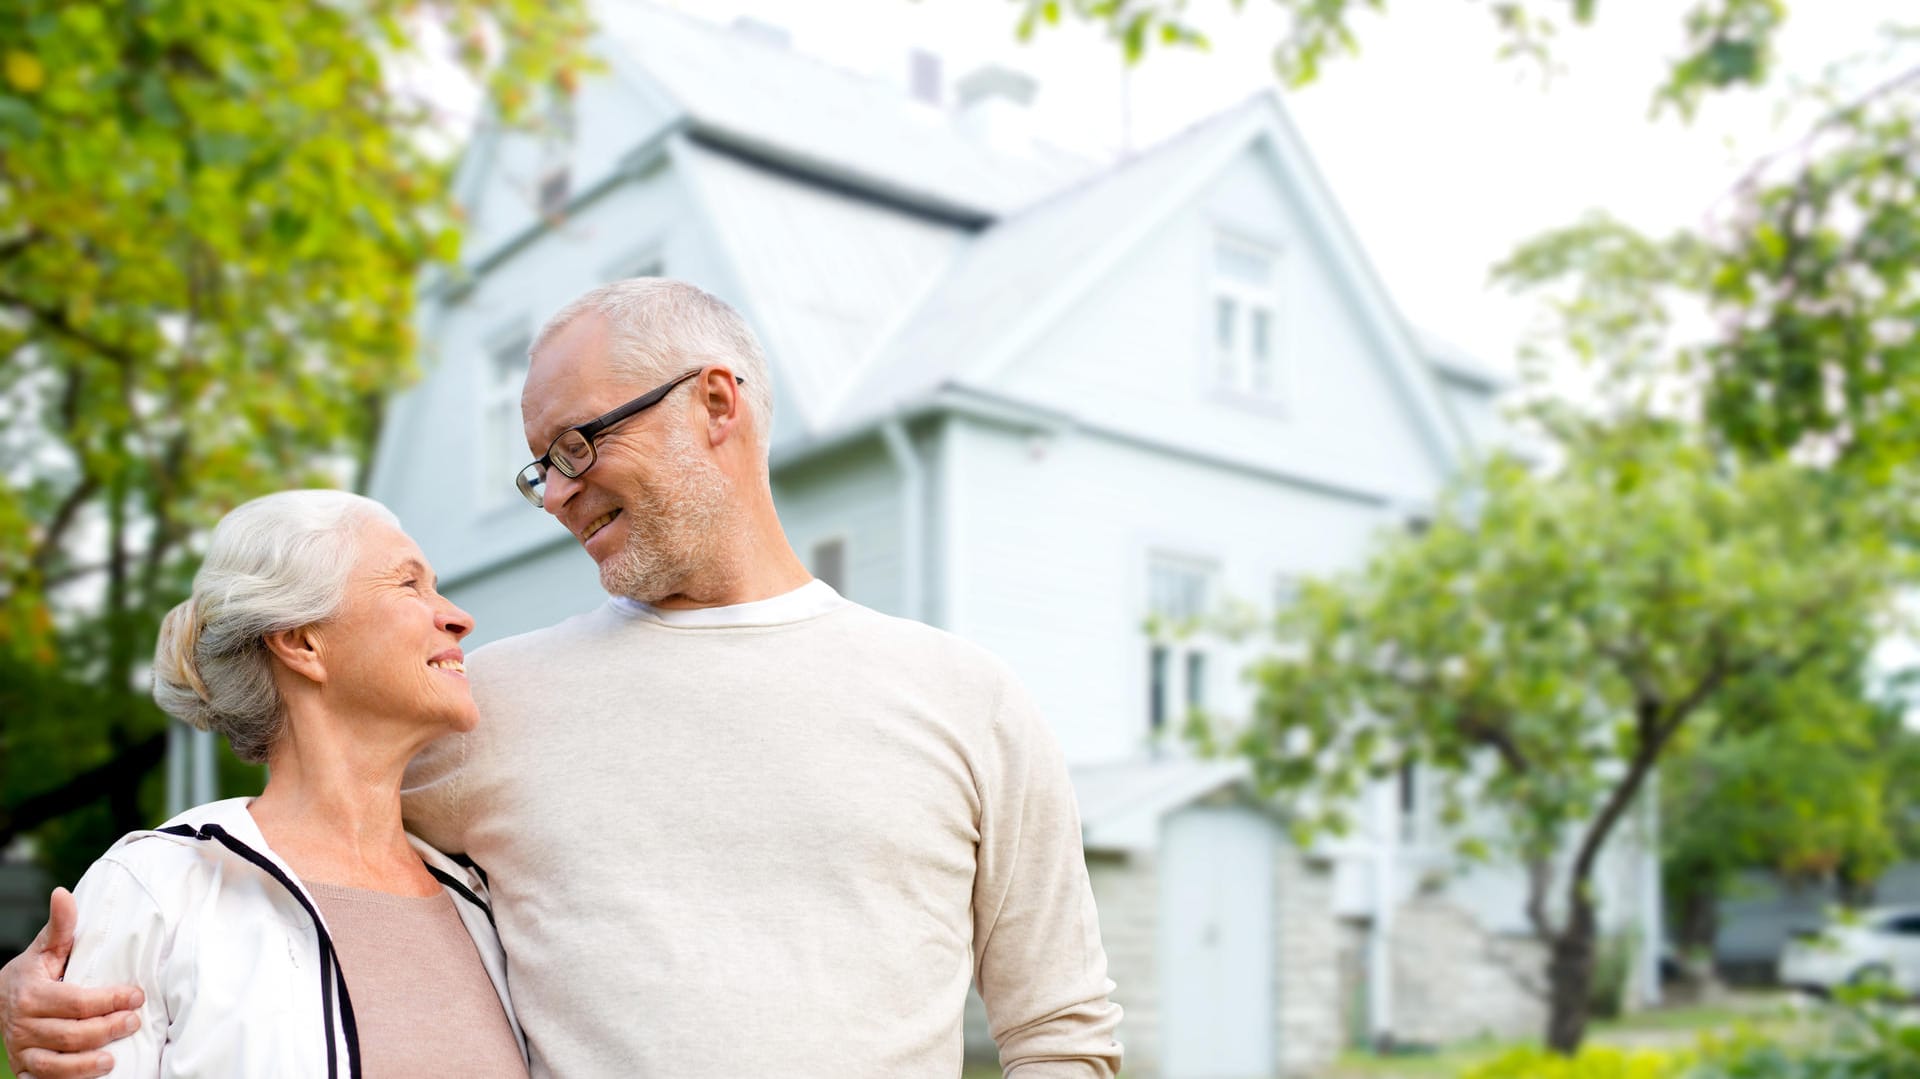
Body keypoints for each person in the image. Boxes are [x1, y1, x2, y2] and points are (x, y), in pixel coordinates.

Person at [2, 279, 1122, 1078]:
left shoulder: (966, 698)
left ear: (716, 405)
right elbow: (288, 841)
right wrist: (48, 992)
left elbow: (1062, 1031)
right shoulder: (484, 708)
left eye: (578, 445)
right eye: (539, 463)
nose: (555, 492)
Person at [1, 490, 527, 1078]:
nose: (459, 616)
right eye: (409, 585)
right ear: (301, 642)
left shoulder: (483, 902)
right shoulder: (158, 890)